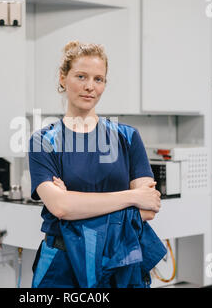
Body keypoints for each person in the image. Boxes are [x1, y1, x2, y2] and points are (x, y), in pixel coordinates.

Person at [28, 41, 166, 288]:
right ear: (63, 78)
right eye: (81, 76)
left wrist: (75, 203)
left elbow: (148, 209)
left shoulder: (127, 137)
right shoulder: (43, 141)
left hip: (121, 262)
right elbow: (60, 208)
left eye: (98, 79)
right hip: (63, 265)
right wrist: (131, 196)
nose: (90, 86)